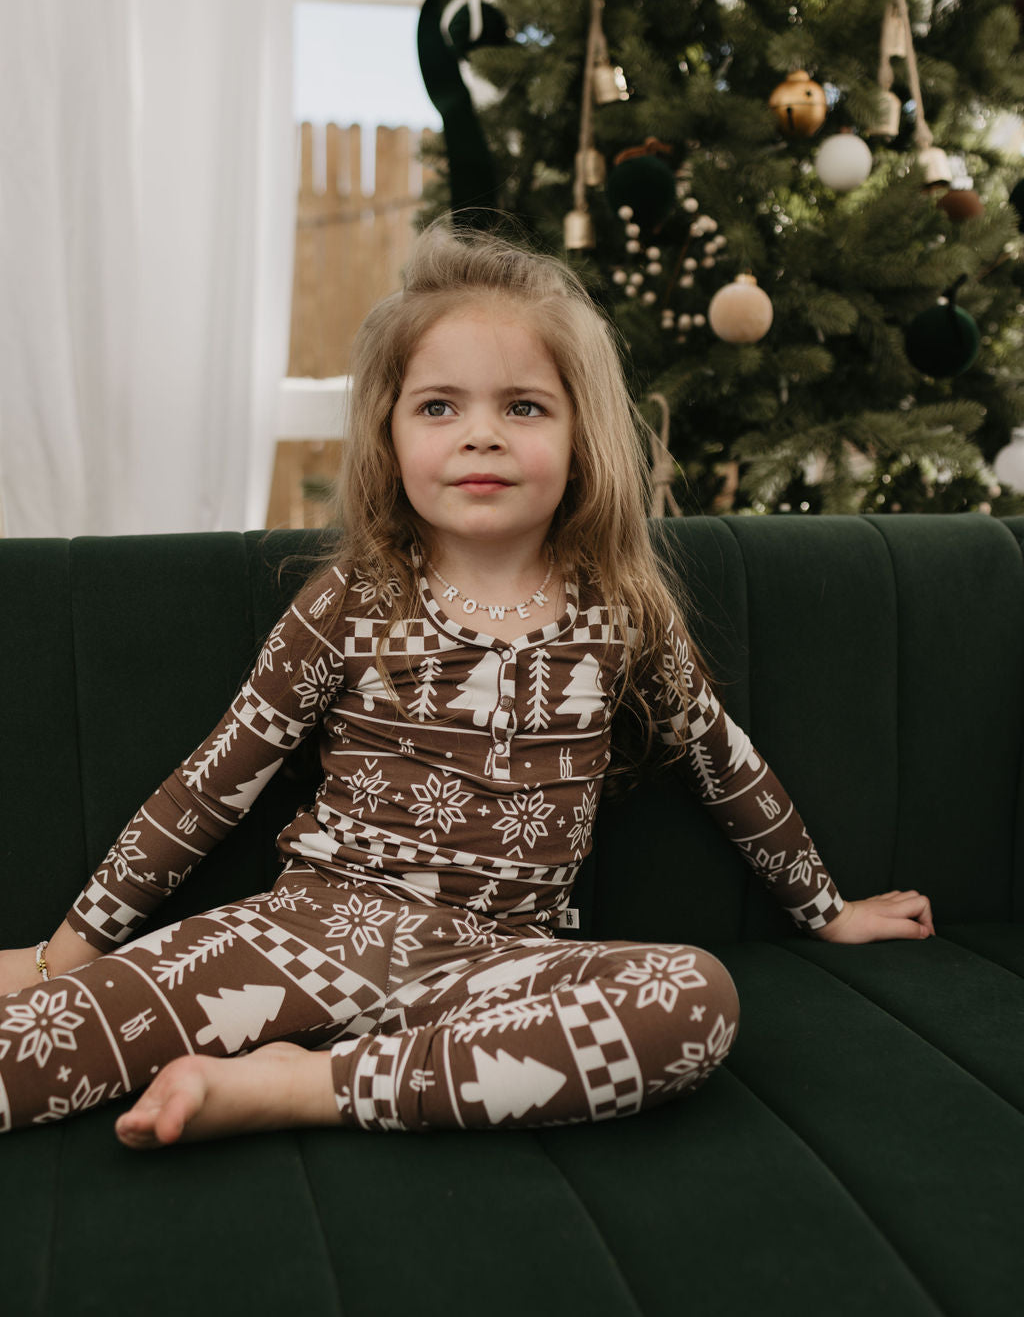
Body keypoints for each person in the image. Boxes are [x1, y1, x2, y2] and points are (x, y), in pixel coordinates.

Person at [0, 223, 934, 1146]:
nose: (479, 434)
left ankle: (303, 1087)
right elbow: (210, 785)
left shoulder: (622, 614)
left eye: (523, 407)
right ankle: (269, 1052)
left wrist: (829, 910)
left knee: (694, 1002)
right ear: (390, 433)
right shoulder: (350, 603)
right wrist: (57, 958)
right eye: (438, 406)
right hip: (304, 941)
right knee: (30, 1048)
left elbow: (724, 762)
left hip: (495, 971)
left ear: (582, 437)